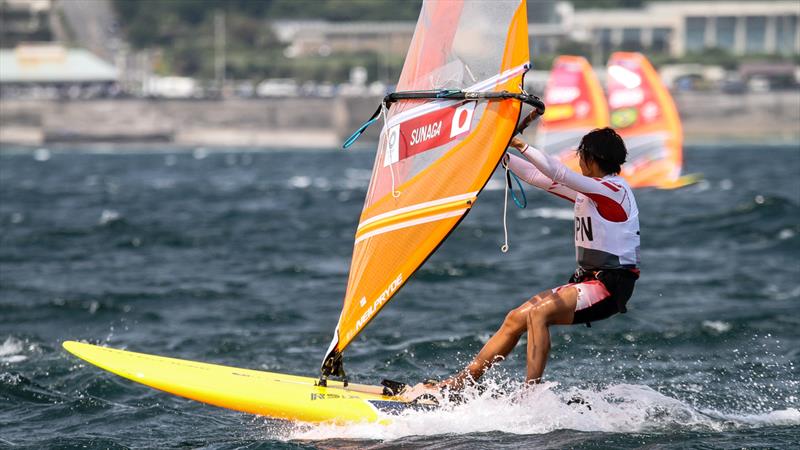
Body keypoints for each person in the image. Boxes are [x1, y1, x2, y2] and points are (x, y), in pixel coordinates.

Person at [403, 127, 640, 400]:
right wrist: (501, 154)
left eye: (581, 155)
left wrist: (519, 144)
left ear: (591, 158)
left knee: (539, 314)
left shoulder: (612, 191)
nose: (579, 161)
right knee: (517, 317)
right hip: (589, 281)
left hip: (611, 286)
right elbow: (542, 178)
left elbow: (557, 173)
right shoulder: (594, 192)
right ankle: (464, 382)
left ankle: (531, 396)